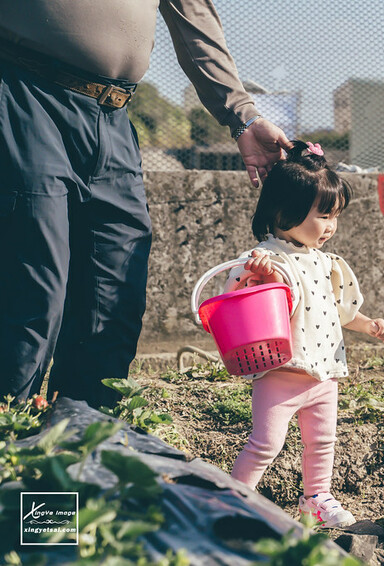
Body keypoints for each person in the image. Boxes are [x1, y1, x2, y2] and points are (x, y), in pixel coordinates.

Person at [0, 1, 292, 409]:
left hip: (113, 114)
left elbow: (196, 20)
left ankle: (85, 435)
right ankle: (8, 436)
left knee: (115, 284)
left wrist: (241, 116)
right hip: (26, 92)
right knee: (34, 279)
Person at [225, 140, 384, 528]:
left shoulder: (327, 263)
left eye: (335, 215)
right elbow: (251, 299)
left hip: (324, 374)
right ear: (284, 211)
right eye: (324, 215)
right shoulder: (270, 258)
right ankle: (232, 501)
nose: (331, 225)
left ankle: (317, 498)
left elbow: (339, 311)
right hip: (281, 375)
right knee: (265, 444)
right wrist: (259, 275)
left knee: (322, 443)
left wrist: (367, 324)